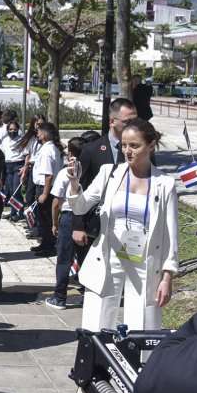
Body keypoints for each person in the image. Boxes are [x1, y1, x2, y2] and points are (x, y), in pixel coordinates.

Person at [65, 118, 177, 393]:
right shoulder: (110, 173)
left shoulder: (164, 184)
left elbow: (170, 236)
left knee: (143, 329)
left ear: (150, 146)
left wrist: (168, 276)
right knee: (97, 323)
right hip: (109, 257)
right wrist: (74, 182)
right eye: (124, 145)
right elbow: (79, 206)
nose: (128, 151)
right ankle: (88, 381)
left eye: (135, 146)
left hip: (145, 263)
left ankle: (137, 388)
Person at [71, 98, 138, 255]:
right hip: (97, 225)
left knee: (127, 272)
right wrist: (78, 226)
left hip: (130, 227)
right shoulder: (91, 150)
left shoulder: (141, 152)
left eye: (136, 121)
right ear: (112, 121)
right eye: (128, 121)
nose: (133, 126)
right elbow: (82, 188)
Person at [46, 136, 85, 310]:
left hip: (69, 216)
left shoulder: (65, 172)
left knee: (64, 258)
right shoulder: (93, 170)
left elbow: (56, 203)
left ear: (69, 152)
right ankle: (88, 293)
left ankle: (60, 297)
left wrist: (54, 222)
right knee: (86, 258)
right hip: (87, 216)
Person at [30, 122, 63, 257]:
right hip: (46, 187)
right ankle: (45, 243)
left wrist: (44, 193)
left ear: (44, 134)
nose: (37, 134)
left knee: (45, 218)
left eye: (39, 131)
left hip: (45, 188)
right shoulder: (50, 148)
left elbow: (48, 174)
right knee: (43, 219)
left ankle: (49, 246)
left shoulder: (47, 150)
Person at [0, 119, 24, 222]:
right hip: (8, 166)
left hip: (18, 165)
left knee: (16, 190)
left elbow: (27, 154)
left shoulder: (21, 140)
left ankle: (19, 212)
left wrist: (25, 167)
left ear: (18, 129)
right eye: (10, 129)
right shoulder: (4, 140)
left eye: (14, 129)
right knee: (9, 190)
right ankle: (13, 212)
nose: (12, 131)